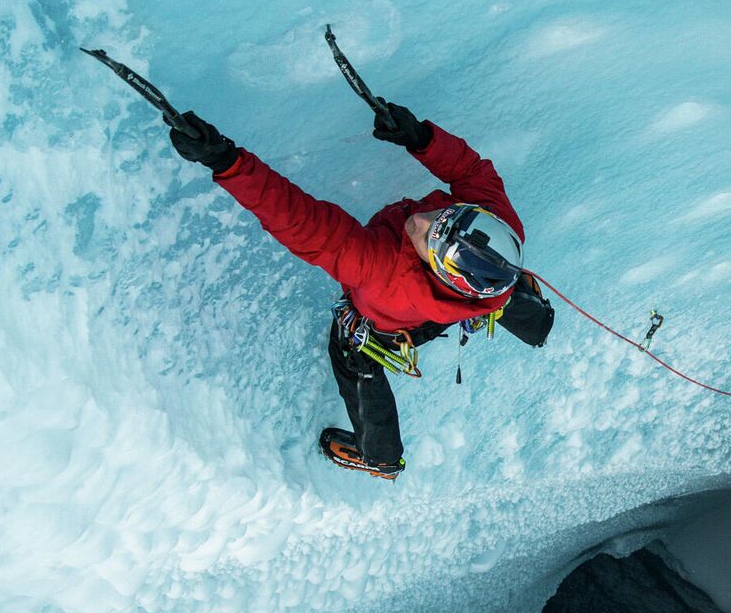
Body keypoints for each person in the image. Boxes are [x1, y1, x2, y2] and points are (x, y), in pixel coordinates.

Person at [165, 102, 542, 480]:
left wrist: (228, 163)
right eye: (444, 217)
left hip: (385, 326)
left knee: (355, 362)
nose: (423, 220)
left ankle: (381, 458)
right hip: (466, 299)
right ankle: (532, 320)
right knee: (502, 288)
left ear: (439, 271)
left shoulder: (376, 265)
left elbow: (298, 219)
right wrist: (422, 138)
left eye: (427, 237)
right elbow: (470, 171)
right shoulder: (497, 224)